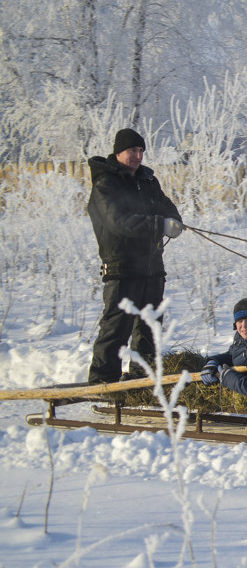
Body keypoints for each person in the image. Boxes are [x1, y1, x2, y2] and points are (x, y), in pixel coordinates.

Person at [87, 128, 184, 384]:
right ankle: (102, 382)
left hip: (152, 267)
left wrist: (173, 221)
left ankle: (143, 379)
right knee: (116, 328)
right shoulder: (106, 183)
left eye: (141, 150)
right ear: (119, 152)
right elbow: (119, 222)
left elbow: (167, 208)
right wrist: (159, 225)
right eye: (133, 150)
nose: (138, 155)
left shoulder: (149, 181)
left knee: (149, 329)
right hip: (122, 267)